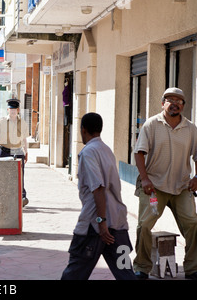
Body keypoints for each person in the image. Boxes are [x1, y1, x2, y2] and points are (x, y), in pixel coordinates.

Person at [133, 87, 197, 280]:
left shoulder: (191, 129)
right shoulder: (151, 125)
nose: (175, 103)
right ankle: (142, 268)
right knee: (145, 225)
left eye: (179, 101)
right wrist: (144, 179)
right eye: (170, 100)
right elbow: (139, 153)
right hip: (154, 187)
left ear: (183, 106)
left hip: (181, 187)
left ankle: (194, 267)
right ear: (163, 103)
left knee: (194, 223)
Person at [61, 112, 136, 280]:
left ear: (83, 130)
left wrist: (101, 222)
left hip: (95, 226)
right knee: (125, 272)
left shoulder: (88, 152)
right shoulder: (107, 150)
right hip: (117, 222)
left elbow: (98, 189)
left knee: (75, 272)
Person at [0, 98, 30, 207]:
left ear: (18, 110)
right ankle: (5, 197)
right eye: (11, 109)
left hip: (18, 151)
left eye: (15, 109)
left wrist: (26, 152)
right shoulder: (2, 121)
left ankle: (22, 197)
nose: (13, 111)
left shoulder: (23, 123)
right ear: (8, 109)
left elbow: (24, 139)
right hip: (4, 151)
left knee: (19, 175)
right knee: (4, 175)